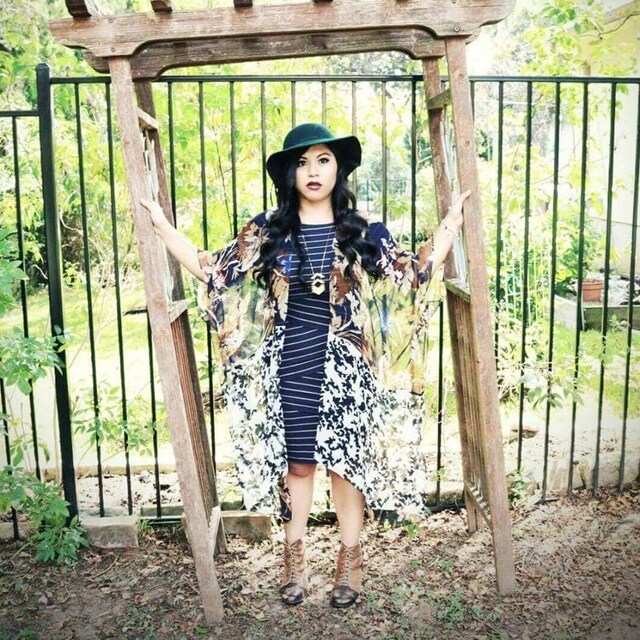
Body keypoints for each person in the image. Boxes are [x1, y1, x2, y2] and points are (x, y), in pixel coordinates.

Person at [141, 122, 468, 609]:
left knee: (346, 468)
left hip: (347, 371)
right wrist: (162, 227)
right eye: (302, 162)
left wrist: (451, 224)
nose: (313, 171)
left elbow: (412, 274)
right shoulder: (267, 230)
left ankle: (350, 566)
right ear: (289, 174)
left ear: (338, 169)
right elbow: (215, 271)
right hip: (290, 365)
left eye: (323, 160)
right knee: (298, 466)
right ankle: (294, 564)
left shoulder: (363, 230)